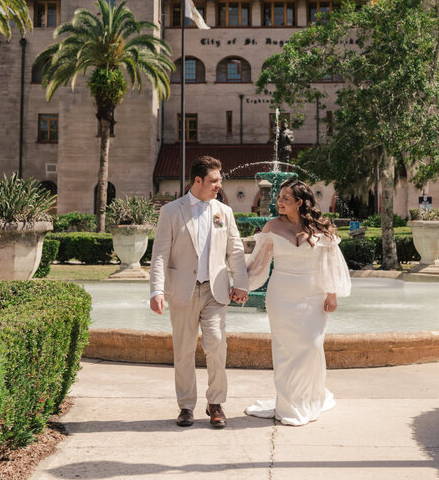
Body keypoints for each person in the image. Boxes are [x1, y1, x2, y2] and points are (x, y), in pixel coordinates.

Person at [149, 155, 249, 428]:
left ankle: (215, 403)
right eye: (215, 180)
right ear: (198, 181)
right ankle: (186, 406)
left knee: (216, 345)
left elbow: (235, 251)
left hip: (215, 291)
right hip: (182, 290)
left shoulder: (223, 212)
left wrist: (241, 283)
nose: (219, 185)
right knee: (183, 351)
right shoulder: (171, 211)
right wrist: (156, 290)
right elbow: (159, 255)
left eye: (219, 180)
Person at [244, 179, 352, 426]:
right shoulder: (272, 226)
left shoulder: (322, 228)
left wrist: (331, 293)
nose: (279, 202)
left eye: (285, 198)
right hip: (281, 295)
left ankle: (311, 397)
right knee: (285, 350)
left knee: (312, 346)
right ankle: (288, 403)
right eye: (279, 197)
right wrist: (242, 285)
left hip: (313, 294)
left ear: (300, 203)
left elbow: (330, 262)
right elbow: (259, 262)